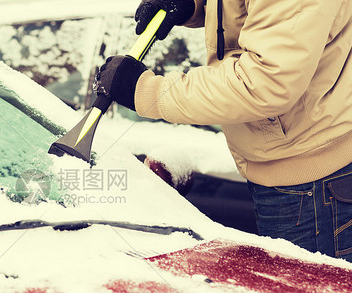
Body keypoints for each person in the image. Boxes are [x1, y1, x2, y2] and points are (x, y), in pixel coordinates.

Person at [95, 0, 352, 262]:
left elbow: (264, 83)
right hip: (291, 172)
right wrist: (194, 6)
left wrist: (147, 91)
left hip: (311, 186)